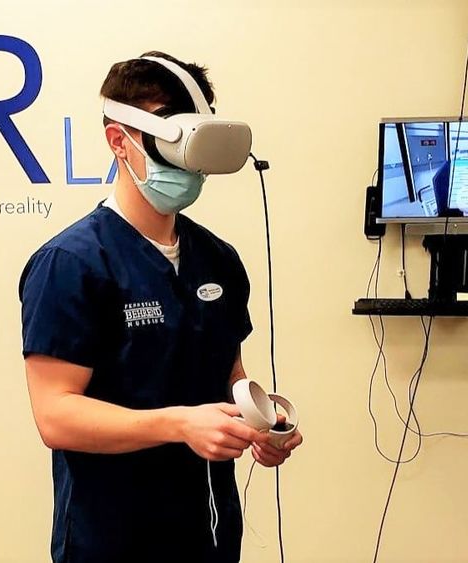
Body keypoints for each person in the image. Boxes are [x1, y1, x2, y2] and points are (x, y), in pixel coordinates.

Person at [18, 52, 302, 563]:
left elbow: (229, 371)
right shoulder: (72, 264)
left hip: (208, 532)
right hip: (112, 539)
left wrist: (261, 421)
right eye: (170, 139)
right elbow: (55, 416)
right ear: (118, 141)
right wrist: (180, 424)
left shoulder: (217, 259)